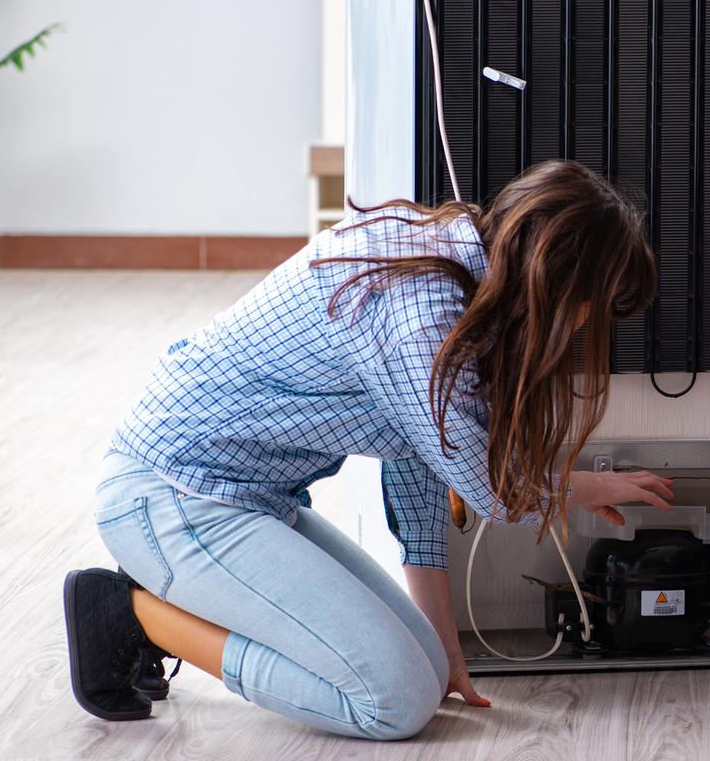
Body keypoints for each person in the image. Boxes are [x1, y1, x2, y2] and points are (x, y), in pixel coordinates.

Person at [64, 159, 675, 738]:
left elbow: (419, 463)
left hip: (245, 497)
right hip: (174, 496)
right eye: (590, 306)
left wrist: (446, 647)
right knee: (393, 703)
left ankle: (163, 597)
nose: (580, 328)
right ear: (556, 278)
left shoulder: (455, 269)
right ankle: (134, 614)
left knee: (426, 676)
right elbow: (490, 491)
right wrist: (589, 486)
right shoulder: (423, 313)